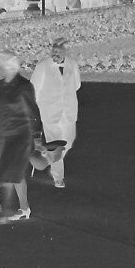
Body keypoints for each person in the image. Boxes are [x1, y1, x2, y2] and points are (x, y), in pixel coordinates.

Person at [0, 52, 45, 222]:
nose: (1, 68)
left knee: (13, 171)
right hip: (4, 134)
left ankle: (16, 209)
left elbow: (33, 112)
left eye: (4, 65)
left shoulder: (24, 86)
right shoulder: (0, 85)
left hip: (21, 134)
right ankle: (23, 207)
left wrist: (37, 137)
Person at [30, 38, 81, 188]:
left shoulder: (72, 64)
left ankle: (46, 159)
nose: (55, 53)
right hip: (50, 111)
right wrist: (40, 106)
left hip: (69, 110)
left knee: (68, 142)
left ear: (66, 51)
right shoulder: (43, 66)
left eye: (59, 51)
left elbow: (76, 85)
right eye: (54, 51)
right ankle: (58, 176)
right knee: (56, 143)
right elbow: (34, 89)